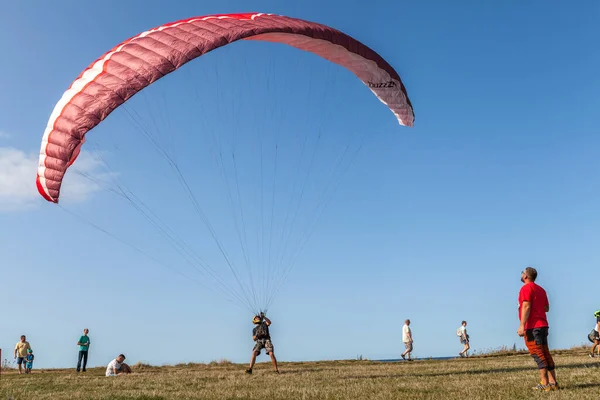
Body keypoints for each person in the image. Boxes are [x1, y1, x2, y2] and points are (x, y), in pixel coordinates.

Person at [517, 267, 558, 391]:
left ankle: (544, 383)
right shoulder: (541, 289)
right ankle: (553, 383)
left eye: (522, 272)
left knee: (537, 354)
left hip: (533, 326)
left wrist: (522, 325)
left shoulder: (526, 288)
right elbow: (546, 308)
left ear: (526, 276)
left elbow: (526, 306)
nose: (522, 274)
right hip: (543, 324)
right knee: (545, 353)